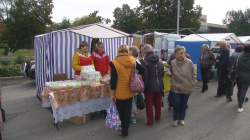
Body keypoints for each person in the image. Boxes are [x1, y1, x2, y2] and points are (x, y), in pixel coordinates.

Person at [110, 44, 145, 138]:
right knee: (127, 111)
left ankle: (123, 129)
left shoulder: (114, 62)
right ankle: (125, 131)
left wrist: (112, 94)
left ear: (118, 52)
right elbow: (142, 69)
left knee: (120, 112)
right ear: (126, 51)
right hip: (130, 90)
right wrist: (138, 77)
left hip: (119, 92)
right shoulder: (133, 60)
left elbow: (113, 80)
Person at [170, 46, 197, 127]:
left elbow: (193, 73)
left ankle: (181, 118)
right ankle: (175, 119)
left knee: (183, 103)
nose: (180, 55)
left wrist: (193, 82)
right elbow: (171, 72)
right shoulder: (173, 62)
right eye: (178, 54)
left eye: (181, 53)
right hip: (176, 86)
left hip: (187, 85)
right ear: (175, 54)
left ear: (184, 54)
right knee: (176, 103)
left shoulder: (189, 62)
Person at [141, 44, 164, 127]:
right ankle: (158, 117)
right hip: (159, 85)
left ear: (145, 52)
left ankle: (150, 121)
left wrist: (143, 87)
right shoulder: (159, 60)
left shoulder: (145, 61)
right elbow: (162, 73)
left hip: (150, 86)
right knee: (158, 102)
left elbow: (145, 76)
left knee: (149, 105)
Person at [235, 45, 250, 113]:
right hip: (247, 78)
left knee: (239, 90)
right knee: (244, 91)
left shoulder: (239, 57)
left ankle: (239, 102)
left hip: (238, 76)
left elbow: (234, 66)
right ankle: (240, 107)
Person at [128, 46, 140, 124]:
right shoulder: (135, 61)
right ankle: (131, 116)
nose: (128, 52)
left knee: (133, 101)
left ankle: (133, 117)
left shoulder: (135, 61)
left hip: (133, 83)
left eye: (130, 51)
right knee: (131, 100)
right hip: (132, 83)